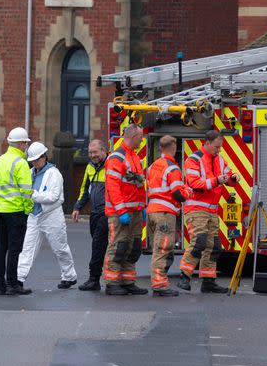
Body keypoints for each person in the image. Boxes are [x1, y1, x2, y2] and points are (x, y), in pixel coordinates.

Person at [180, 130, 236, 294]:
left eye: (220, 148)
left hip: (212, 210)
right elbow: (195, 184)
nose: (219, 151)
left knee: (213, 246)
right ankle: (185, 276)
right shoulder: (193, 160)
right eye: (217, 147)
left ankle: (208, 281)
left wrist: (233, 178)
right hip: (196, 208)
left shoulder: (219, 159)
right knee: (199, 242)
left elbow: (228, 175)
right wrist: (217, 180)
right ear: (207, 143)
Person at [17, 142, 78, 288]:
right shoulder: (31, 172)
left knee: (60, 248)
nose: (34, 162)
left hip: (51, 215)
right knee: (27, 248)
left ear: (44, 157)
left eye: (37, 159)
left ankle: (69, 276)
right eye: (32, 160)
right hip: (34, 215)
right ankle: (18, 278)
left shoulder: (54, 173)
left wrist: (33, 195)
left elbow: (53, 196)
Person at [104, 124, 148, 296]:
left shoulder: (134, 157)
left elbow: (137, 185)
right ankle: (112, 282)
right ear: (132, 136)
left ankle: (128, 281)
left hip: (134, 211)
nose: (142, 140)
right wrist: (121, 211)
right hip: (120, 213)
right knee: (118, 247)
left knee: (133, 247)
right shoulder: (117, 157)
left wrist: (142, 206)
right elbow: (113, 187)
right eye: (140, 137)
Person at [147, 135, 190, 297]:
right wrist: (187, 192)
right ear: (173, 146)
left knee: (157, 249)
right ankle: (160, 285)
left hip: (152, 211)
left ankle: (159, 283)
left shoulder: (153, 166)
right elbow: (177, 193)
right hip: (165, 213)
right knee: (163, 249)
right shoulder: (172, 168)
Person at [0, 127, 34, 296]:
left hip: (0, 209)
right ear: (20, 143)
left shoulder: (0, 160)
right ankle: (12, 284)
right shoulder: (20, 163)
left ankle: (0, 285)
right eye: (25, 142)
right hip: (16, 211)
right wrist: (27, 209)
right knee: (14, 249)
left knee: (1, 248)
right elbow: (26, 191)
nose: (26, 146)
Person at [72, 139, 108, 291]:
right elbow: (84, 190)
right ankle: (97, 278)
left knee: (98, 245)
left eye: (95, 152)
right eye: (90, 153)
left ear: (103, 151)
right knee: (97, 245)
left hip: (106, 213)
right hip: (94, 213)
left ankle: (94, 279)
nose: (93, 155)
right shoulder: (89, 167)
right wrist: (77, 207)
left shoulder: (111, 165)